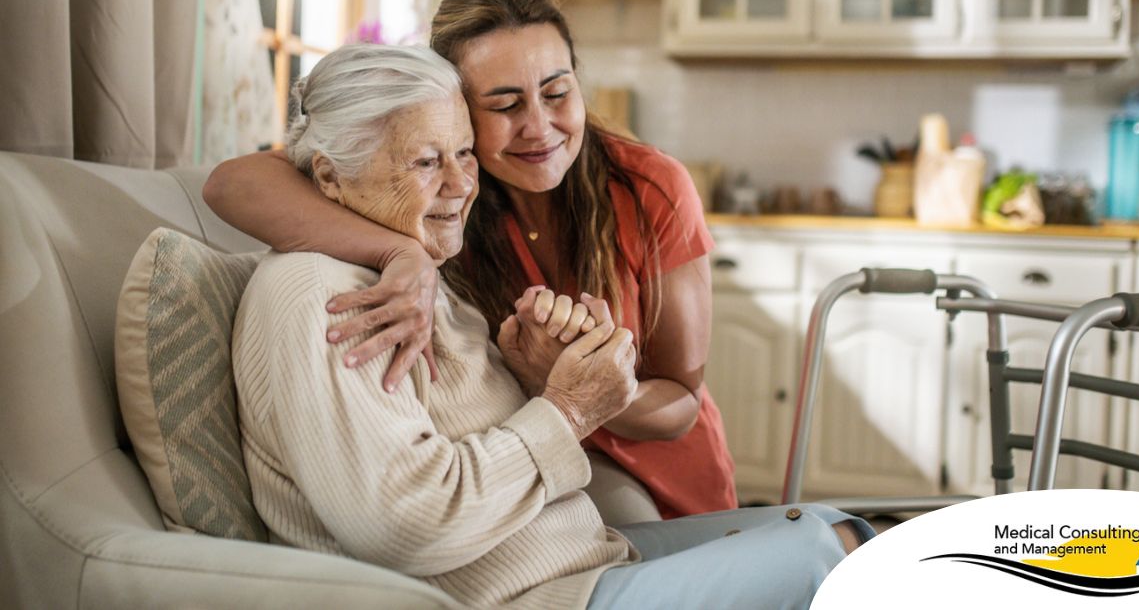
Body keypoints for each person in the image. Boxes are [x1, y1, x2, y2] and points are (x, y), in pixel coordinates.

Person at [234, 42, 870, 610]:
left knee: (838, 526)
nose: (460, 184)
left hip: (581, 559)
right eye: (426, 163)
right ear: (327, 176)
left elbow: (462, 421)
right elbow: (407, 522)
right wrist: (566, 407)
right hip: (541, 595)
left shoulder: (411, 265)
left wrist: (534, 368)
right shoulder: (327, 298)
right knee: (829, 551)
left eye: (461, 153)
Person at [205, 0, 734, 521]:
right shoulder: (446, 198)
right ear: (456, 107)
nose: (539, 127)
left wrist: (586, 388)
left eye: (557, 93)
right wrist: (399, 253)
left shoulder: (649, 187)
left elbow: (682, 405)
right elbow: (231, 184)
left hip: (666, 479)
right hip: (534, 473)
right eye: (504, 104)